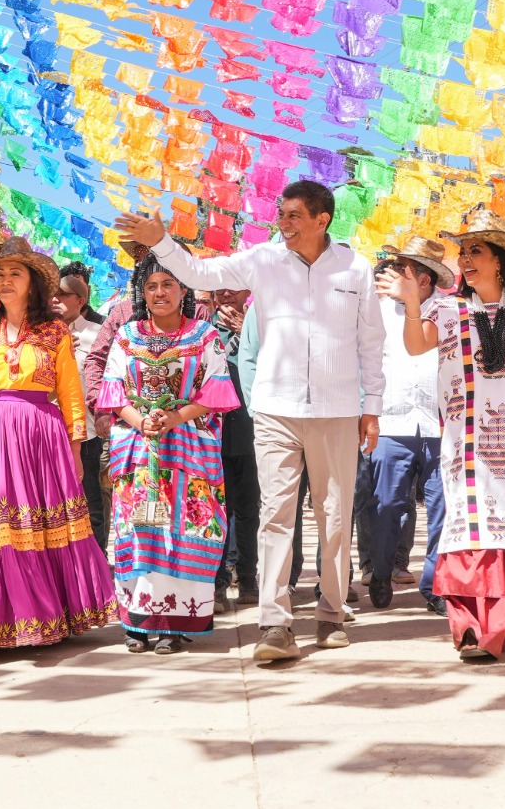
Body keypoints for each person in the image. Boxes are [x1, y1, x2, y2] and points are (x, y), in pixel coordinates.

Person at [116, 180, 386, 662]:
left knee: (335, 515)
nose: (281, 223)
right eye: (280, 214)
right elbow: (198, 271)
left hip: (338, 409)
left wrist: (372, 408)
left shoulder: (356, 268)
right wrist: (160, 240)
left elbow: (371, 342)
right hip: (275, 410)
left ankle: (330, 613)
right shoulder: (262, 260)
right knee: (275, 515)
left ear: (323, 219)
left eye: (293, 216)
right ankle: (275, 624)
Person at [382, 208, 505, 659]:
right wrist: (413, 301)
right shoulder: (446, 308)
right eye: (463, 252)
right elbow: (416, 345)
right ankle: (478, 629)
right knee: (470, 526)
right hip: (466, 445)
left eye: (475, 251)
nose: (466, 260)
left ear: (500, 260)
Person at [0, 237, 116, 655]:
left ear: (34, 283)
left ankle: (48, 618)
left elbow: (71, 392)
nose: (4, 280)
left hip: (39, 440)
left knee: (37, 528)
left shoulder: (54, 331)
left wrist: (75, 450)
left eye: (14, 273)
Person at [96, 254, 239, 652]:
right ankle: (138, 623)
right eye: (151, 286)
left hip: (189, 451)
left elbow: (217, 394)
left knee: (184, 532)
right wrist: (141, 422)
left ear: (183, 290)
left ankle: (177, 625)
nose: (159, 293)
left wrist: (174, 418)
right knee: (139, 531)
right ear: (142, 294)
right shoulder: (126, 336)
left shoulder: (205, 336)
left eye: (168, 284)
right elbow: (112, 391)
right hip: (139, 451)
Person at [366, 237, 451, 614]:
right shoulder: (376, 311)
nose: (393, 276)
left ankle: (435, 585)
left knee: (444, 509)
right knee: (386, 505)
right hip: (391, 422)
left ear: (423, 279)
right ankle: (381, 571)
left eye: (402, 270)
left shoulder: (451, 312)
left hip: (441, 426)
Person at [209, 287, 260, 611]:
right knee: (217, 513)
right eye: (220, 287)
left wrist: (247, 331)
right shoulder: (201, 329)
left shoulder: (259, 324)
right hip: (212, 436)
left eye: (234, 285)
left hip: (251, 433)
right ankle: (217, 585)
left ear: (247, 291)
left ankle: (249, 580)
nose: (226, 292)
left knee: (249, 513)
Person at [53, 262, 109, 553]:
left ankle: (97, 564)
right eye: (53, 295)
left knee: (90, 504)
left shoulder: (99, 333)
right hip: (49, 432)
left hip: (85, 433)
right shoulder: (39, 333)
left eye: (63, 295)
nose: (56, 300)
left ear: (81, 300)